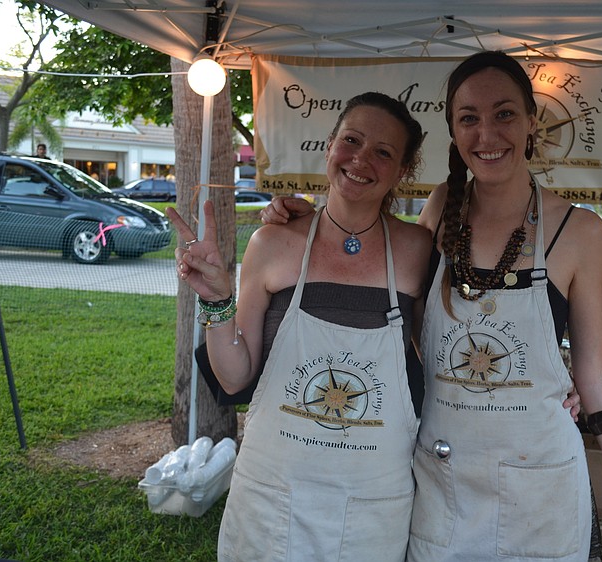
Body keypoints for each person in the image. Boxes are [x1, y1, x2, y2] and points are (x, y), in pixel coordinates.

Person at [265, 51, 602, 562]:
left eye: (505, 114)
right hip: (442, 481)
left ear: (532, 122)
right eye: (469, 118)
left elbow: (598, 369)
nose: (487, 134)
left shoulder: (578, 231)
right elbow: (371, 259)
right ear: (452, 128)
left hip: (543, 486)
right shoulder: (440, 208)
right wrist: (308, 221)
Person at [166, 92, 430, 561]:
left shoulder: (417, 250)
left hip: (375, 503)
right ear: (329, 145)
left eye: (384, 152)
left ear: (403, 171)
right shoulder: (273, 240)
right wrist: (218, 302)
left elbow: (442, 356)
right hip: (272, 494)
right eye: (351, 140)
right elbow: (233, 375)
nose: (361, 159)